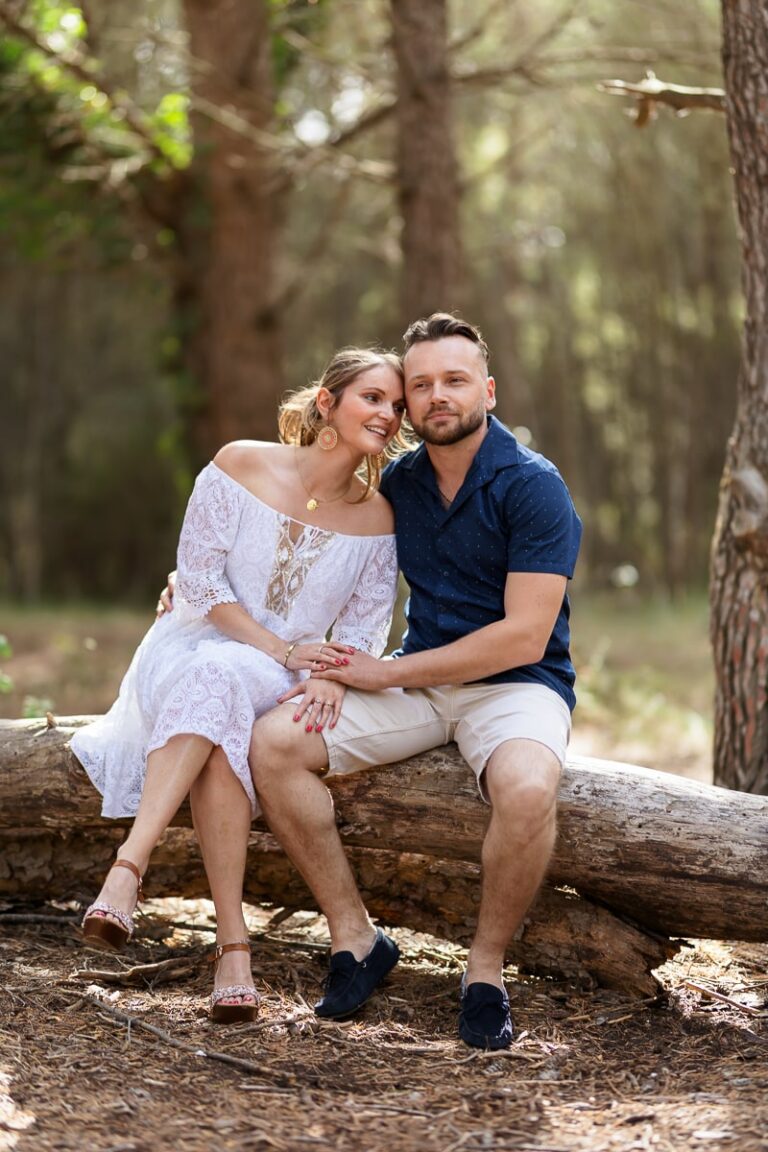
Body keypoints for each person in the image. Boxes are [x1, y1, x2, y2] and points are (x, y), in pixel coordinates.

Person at [246, 313, 582, 1050]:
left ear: (488, 392)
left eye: (455, 381)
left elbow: (524, 634)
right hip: (418, 683)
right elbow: (305, 531)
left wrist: (386, 671)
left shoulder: (533, 487)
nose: (437, 396)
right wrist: (196, 586)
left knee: (528, 789)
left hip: (516, 685)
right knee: (274, 744)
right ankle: (355, 938)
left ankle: (485, 971)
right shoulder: (399, 482)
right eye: (420, 384)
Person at [70, 346, 407, 1023]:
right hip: (191, 645)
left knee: (226, 726)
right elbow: (198, 581)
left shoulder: (378, 518)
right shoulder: (239, 464)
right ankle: (166, 896)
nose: (388, 414)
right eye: (372, 397)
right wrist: (281, 647)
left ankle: (167, 902)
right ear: (327, 403)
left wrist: (334, 677)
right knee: (218, 677)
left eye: (397, 406)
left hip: (284, 676)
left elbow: (365, 626)